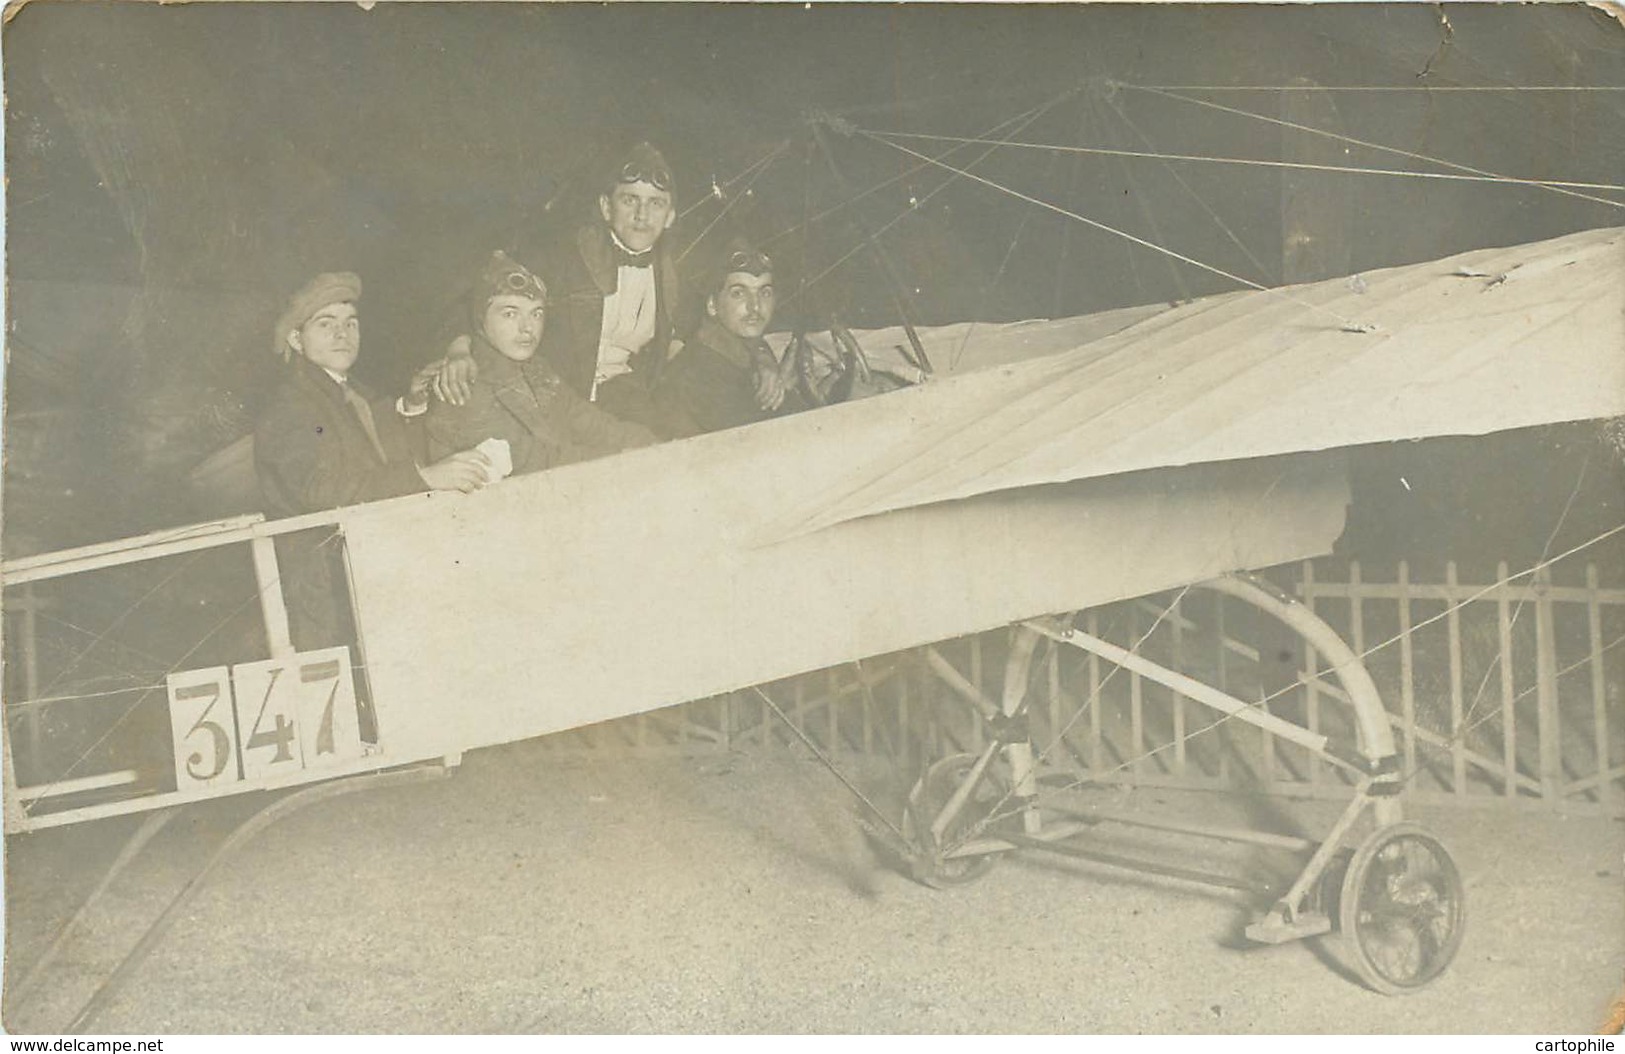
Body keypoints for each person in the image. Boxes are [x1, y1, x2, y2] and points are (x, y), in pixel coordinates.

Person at [433, 142, 785, 434]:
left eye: (656, 203)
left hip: (623, 392)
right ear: (605, 207)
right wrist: (458, 350)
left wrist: (764, 360)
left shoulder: (673, 273)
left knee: (684, 439)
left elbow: (724, 322)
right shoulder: (562, 256)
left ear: (671, 216)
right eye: (630, 199)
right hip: (554, 392)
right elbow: (473, 297)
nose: (642, 215)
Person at [255, 271, 489, 652]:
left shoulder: (350, 392)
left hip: (367, 570)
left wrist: (412, 407)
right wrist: (425, 478)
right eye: (325, 324)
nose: (342, 335)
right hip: (327, 590)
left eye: (351, 324)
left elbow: (383, 460)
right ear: (297, 340)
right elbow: (321, 488)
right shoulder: (289, 406)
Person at [426, 251, 657, 474]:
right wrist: (626, 457)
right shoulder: (462, 383)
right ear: (480, 319)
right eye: (510, 314)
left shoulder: (536, 367)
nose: (527, 328)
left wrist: (650, 444)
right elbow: (534, 462)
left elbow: (589, 422)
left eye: (536, 313)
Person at [658, 238, 804, 437]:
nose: (755, 306)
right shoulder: (699, 372)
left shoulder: (734, 350)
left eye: (765, 293)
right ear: (712, 305)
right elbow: (754, 446)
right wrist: (786, 394)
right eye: (738, 293)